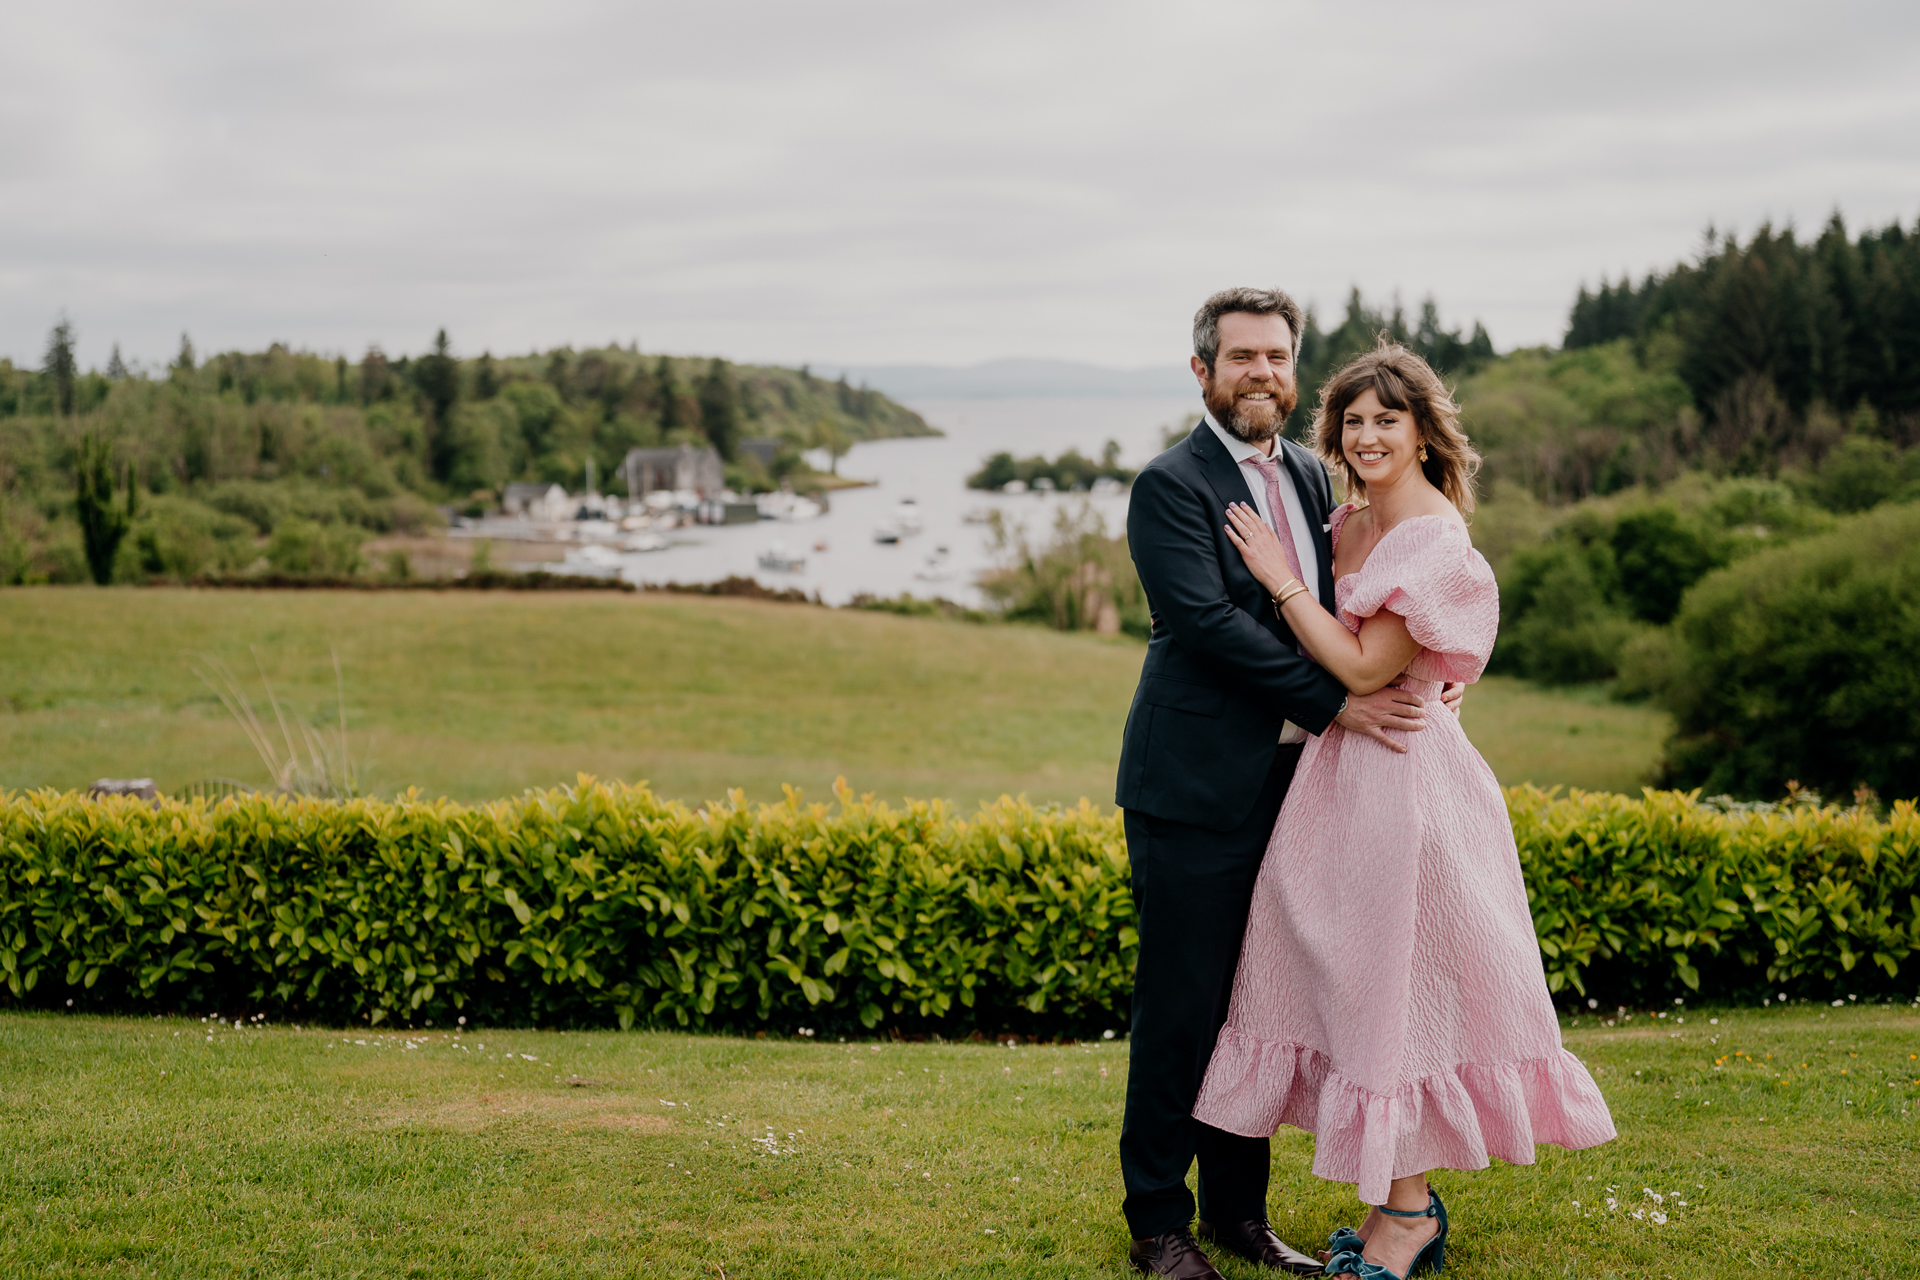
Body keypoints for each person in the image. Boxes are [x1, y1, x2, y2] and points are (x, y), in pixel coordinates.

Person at [1191, 342, 1617, 1279]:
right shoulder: (1346, 520)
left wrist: (1280, 579)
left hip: (1406, 785)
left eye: (1389, 419)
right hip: (1341, 779)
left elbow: (1364, 670)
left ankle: (1408, 1213)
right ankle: (1398, 1194)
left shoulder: (1429, 534)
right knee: (1347, 981)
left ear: (1425, 431)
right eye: (1353, 420)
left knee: (1397, 994)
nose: (1369, 434)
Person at [1115, 288, 1462, 1279]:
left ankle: (1239, 1214)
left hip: (1298, 786)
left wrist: (1423, 678)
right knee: (1181, 1006)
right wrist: (1339, 702)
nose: (1260, 372)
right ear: (1203, 373)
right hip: (1192, 787)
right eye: (1240, 357)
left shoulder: (1319, 474)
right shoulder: (1169, 485)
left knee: (1257, 1008)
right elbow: (1207, 627)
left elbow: (1376, 598)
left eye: (1276, 356)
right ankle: (1157, 1223)